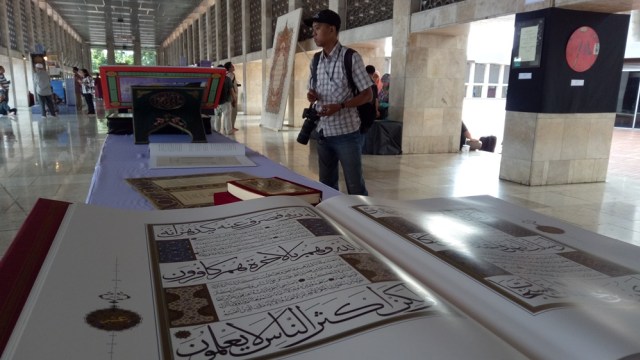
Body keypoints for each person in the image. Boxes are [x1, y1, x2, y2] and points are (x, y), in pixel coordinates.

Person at [304, 9, 372, 195]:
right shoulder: (316, 60)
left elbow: (367, 95)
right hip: (323, 133)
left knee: (355, 186)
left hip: (347, 134)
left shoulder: (350, 57)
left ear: (332, 30)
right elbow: (313, 89)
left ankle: (361, 220)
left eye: (317, 28)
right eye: (313, 29)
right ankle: (333, 218)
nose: (314, 33)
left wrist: (341, 106)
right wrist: (312, 95)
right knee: (326, 186)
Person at [213, 65, 234, 135]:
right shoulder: (227, 79)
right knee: (227, 116)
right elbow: (231, 90)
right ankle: (228, 131)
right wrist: (234, 98)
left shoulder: (214, 79)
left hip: (217, 103)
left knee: (217, 117)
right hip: (226, 102)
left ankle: (217, 130)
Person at [224, 62, 239, 131]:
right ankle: (231, 127)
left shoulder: (226, 74)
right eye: (232, 66)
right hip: (232, 95)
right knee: (233, 112)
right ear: (229, 68)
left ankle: (226, 127)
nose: (233, 67)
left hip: (229, 95)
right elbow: (230, 86)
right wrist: (234, 98)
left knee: (228, 112)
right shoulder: (231, 75)